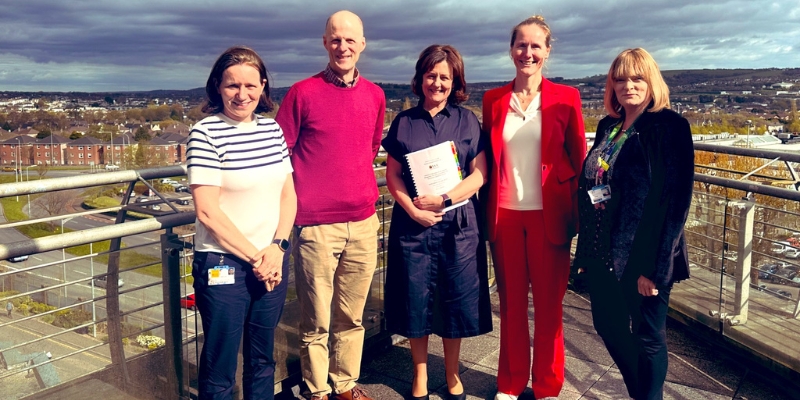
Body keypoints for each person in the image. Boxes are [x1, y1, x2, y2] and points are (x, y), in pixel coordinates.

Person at [275, 10, 384, 400]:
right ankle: (317, 390)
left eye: (351, 40)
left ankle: (345, 385)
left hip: (364, 222)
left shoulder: (375, 95)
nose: (343, 46)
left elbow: (369, 148)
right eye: (336, 39)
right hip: (316, 226)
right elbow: (279, 153)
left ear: (362, 45)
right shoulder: (301, 93)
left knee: (351, 317)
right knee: (316, 319)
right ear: (325, 43)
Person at [573, 48, 694, 400]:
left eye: (637, 78)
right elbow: (596, 185)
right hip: (601, 250)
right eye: (620, 79)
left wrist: (653, 269)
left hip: (643, 255)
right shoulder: (609, 126)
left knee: (648, 336)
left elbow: (673, 204)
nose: (628, 85)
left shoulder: (669, 127)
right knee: (608, 326)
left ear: (651, 81)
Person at [481, 16, 586, 400]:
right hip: (505, 214)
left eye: (535, 46)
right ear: (511, 50)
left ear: (547, 51)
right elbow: (487, 161)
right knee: (510, 306)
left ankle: (547, 387)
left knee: (548, 308)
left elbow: (578, 157)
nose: (528, 53)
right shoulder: (493, 100)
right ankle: (509, 384)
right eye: (521, 45)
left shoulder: (566, 98)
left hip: (549, 217)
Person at [382, 44, 492, 400]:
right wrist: (412, 209)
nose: (437, 82)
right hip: (413, 226)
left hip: (458, 225)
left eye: (445, 77)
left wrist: (444, 199)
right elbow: (392, 174)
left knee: (454, 300)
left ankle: (452, 371)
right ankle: (420, 374)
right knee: (415, 299)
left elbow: (480, 175)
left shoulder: (467, 121)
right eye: (431, 75)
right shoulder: (404, 122)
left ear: (455, 81)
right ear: (420, 78)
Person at [188, 45, 297, 400]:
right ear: (217, 86)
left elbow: (288, 196)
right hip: (224, 264)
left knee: (263, 358)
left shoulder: (272, 131)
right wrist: (258, 258)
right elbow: (207, 211)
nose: (242, 94)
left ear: (263, 87)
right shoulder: (205, 133)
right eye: (232, 85)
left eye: (251, 86)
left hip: (272, 259)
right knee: (220, 366)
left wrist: (278, 248)